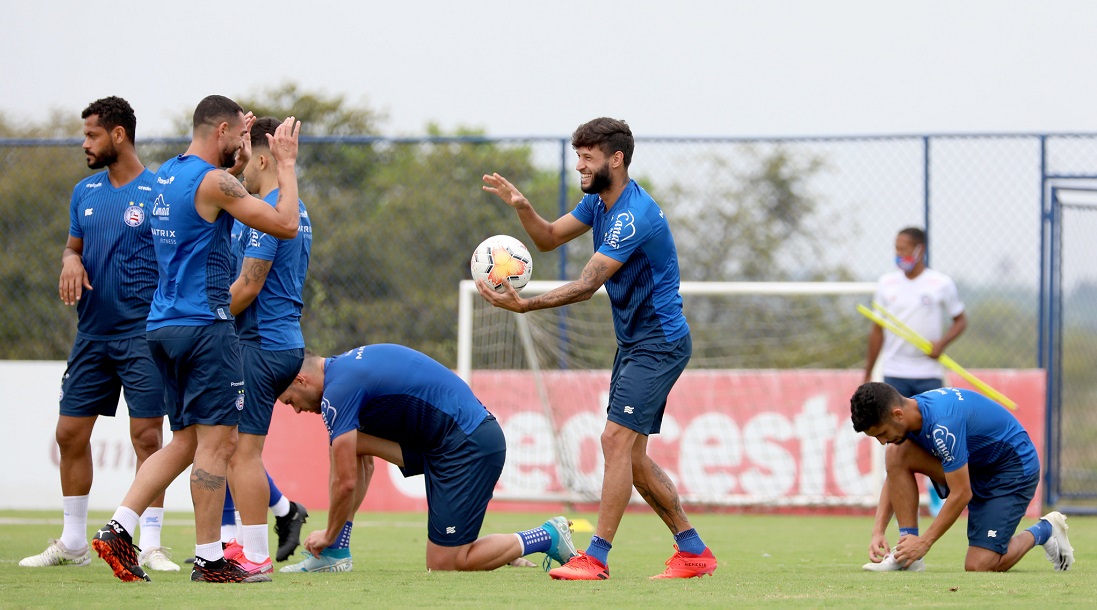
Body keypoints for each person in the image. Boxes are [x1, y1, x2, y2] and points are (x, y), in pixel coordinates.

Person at [478, 117, 717, 580]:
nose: (580, 166)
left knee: (613, 440)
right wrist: (523, 207)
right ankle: (693, 550)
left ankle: (597, 556)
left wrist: (527, 307)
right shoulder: (599, 203)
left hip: (659, 342)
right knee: (633, 457)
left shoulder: (632, 216)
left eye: (588, 157)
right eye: (578, 157)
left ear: (616, 159)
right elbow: (547, 238)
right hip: (637, 343)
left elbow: (587, 285)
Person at [92, 95, 303, 584]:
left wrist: (242, 159)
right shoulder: (216, 181)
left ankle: (120, 526)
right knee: (220, 444)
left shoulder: (167, 174)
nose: (241, 145)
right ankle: (210, 558)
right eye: (238, 137)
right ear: (222, 130)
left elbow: (208, 210)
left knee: (184, 441)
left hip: (162, 325)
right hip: (205, 326)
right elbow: (285, 223)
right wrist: (286, 165)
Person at [21, 97, 180, 573]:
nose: (84, 143)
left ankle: (148, 543)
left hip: (142, 335)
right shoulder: (84, 192)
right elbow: (74, 247)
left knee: (148, 437)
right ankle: (72, 543)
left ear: (118, 135)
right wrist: (70, 260)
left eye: (91, 135)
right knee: (69, 433)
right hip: (91, 335)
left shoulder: (157, 193)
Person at [277, 344, 578, 572]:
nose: (297, 410)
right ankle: (336, 556)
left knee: (444, 562)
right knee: (344, 443)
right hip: (444, 444)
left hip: (466, 446)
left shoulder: (337, 391)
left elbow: (346, 482)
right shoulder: (344, 370)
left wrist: (328, 533)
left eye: (291, 401)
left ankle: (547, 536)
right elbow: (360, 458)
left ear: (302, 380)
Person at [850, 382, 1074, 572]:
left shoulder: (942, 425)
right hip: (975, 467)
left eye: (882, 433)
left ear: (897, 414)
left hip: (1011, 472)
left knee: (979, 565)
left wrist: (925, 542)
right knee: (896, 452)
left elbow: (962, 493)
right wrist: (878, 531)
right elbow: (894, 472)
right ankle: (907, 558)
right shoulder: (911, 413)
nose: (881, 441)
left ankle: (1045, 530)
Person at [221, 116, 313, 568]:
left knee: (241, 452)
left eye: (247, 157)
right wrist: (237, 153)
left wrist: (208, 321)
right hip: (278, 342)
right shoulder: (288, 207)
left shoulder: (271, 212)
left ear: (263, 157)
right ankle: (244, 544)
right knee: (232, 445)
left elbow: (248, 286)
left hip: (260, 344)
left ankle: (253, 555)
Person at [863, 227, 967, 516]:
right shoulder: (886, 284)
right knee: (894, 445)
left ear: (920, 249)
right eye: (896, 249)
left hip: (928, 373)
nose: (900, 255)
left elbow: (960, 320)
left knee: (935, 441)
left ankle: (939, 495)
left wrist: (942, 344)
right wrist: (867, 373)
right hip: (895, 375)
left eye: (905, 249)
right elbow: (877, 331)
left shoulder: (940, 283)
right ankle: (901, 510)